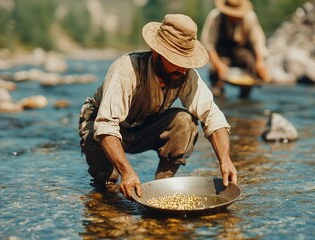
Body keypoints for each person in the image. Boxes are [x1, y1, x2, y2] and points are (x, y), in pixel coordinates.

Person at [78, 14, 238, 199]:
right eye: (177, 60)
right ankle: (105, 194)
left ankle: (163, 185)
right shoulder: (126, 70)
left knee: (185, 122)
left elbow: (212, 115)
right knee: (108, 186)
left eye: (186, 62)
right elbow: (106, 126)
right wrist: (126, 172)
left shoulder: (184, 74)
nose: (183, 69)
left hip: (141, 126)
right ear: (157, 52)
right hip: (101, 128)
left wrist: (225, 160)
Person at [201, 0, 270, 98]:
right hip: (221, 52)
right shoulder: (215, 17)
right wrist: (218, 65)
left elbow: (258, 42)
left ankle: (245, 97)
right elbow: (208, 45)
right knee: (216, 72)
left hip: (240, 50)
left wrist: (260, 63)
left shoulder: (249, 16)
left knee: (250, 60)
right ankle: (218, 95)